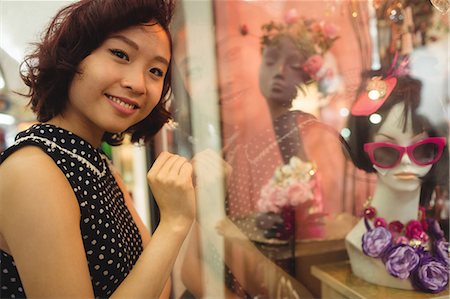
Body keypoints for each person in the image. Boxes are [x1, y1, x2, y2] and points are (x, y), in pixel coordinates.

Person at [0, 1, 196, 298]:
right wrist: (174, 222)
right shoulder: (32, 170)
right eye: (120, 54)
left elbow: (157, 287)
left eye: (156, 71)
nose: (138, 84)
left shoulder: (98, 165)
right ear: (74, 53)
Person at [345, 73, 449, 292]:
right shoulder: (357, 240)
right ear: (366, 151)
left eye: (422, 149)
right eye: (386, 151)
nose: (405, 161)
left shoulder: (435, 238)